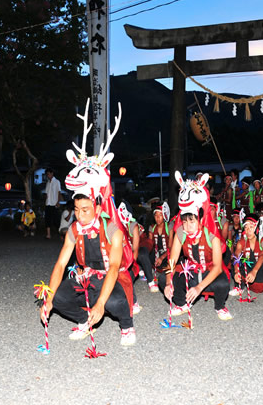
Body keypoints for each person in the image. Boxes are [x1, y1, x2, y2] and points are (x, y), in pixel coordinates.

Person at [41, 103, 136, 346]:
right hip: (88, 278)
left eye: (85, 210)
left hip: (110, 278)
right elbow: (62, 263)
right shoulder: (74, 230)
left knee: (115, 302)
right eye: (76, 210)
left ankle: (127, 326)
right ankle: (85, 320)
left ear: (99, 207)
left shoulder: (112, 230)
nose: (80, 215)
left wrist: (101, 304)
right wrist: (49, 298)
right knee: (61, 298)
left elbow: (114, 268)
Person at [164, 172, 233, 321]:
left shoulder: (211, 236)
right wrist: (169, 282)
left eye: (192, 221)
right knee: (164, 279)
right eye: (185, 221)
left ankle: (220, 306)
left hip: (209, 272)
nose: (188, 226)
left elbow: (217, 267)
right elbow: (172, 260)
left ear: (200, 219)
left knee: (223, 283)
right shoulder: (181, 232)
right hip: (191, 271)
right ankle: (182, 304)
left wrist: (199, 287)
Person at [231, 213, 263, 298]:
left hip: (260, 273)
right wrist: (236, 271)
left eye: (251, 227)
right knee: (237, 261)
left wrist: (254, 271)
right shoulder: (241, 242)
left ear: (257, 228)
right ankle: (239, 286)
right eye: (246, 227)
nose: (248, 231)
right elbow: (236, 256)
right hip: (249, 275)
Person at [150, 202, 173, 293]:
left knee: (171, 260)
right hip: (157, 254)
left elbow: (171, 247)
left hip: (166, 254)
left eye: (160, 215)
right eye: (156, 215)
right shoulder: (152, 228)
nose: (158, 218)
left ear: (164, 215)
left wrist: (162, 257)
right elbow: (150, 245)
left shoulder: (169, 227)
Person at [44, 168, 62, 239]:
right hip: (48, 203)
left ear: (52, 173)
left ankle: (61, 235)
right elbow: (46, 193)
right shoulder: (48, 183)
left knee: (56, 220)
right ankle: (48, 234)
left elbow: (59, 192)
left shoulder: (57, 182)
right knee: (47, 219)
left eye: (48, 174)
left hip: (54, 203)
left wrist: (58, 202)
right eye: (47, 174)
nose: (47, 176)